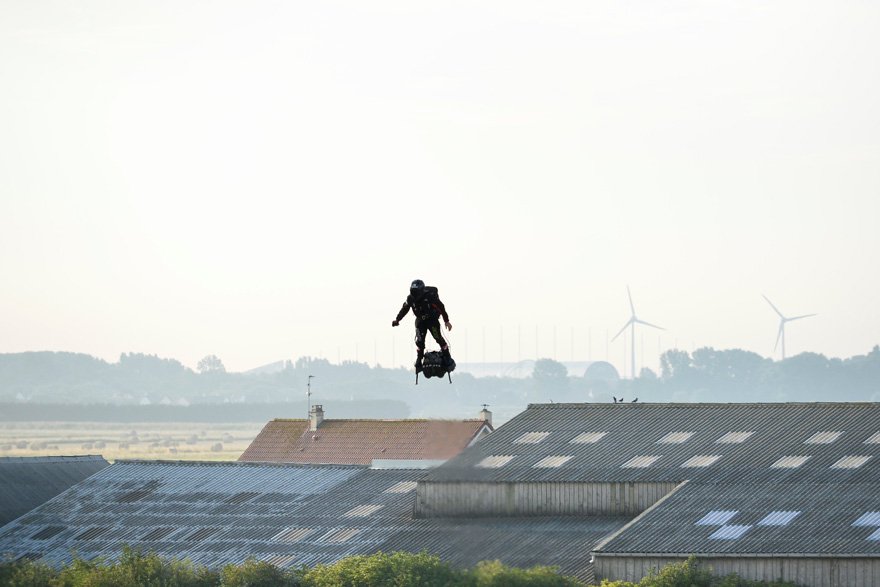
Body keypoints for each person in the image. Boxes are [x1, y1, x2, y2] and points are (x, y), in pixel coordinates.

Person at [392, 279, 455, 373]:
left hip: (432, 320)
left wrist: (446, 321)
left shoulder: (430, 297)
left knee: (437, 337)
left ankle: (447, 356)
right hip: (420, 320)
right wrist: (397, 320)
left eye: (416, 292)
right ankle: (419, 359)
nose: (415, 294)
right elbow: (404, 309)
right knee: (420, 341)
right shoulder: (410, 298)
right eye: (413, 291)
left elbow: (441, 307)